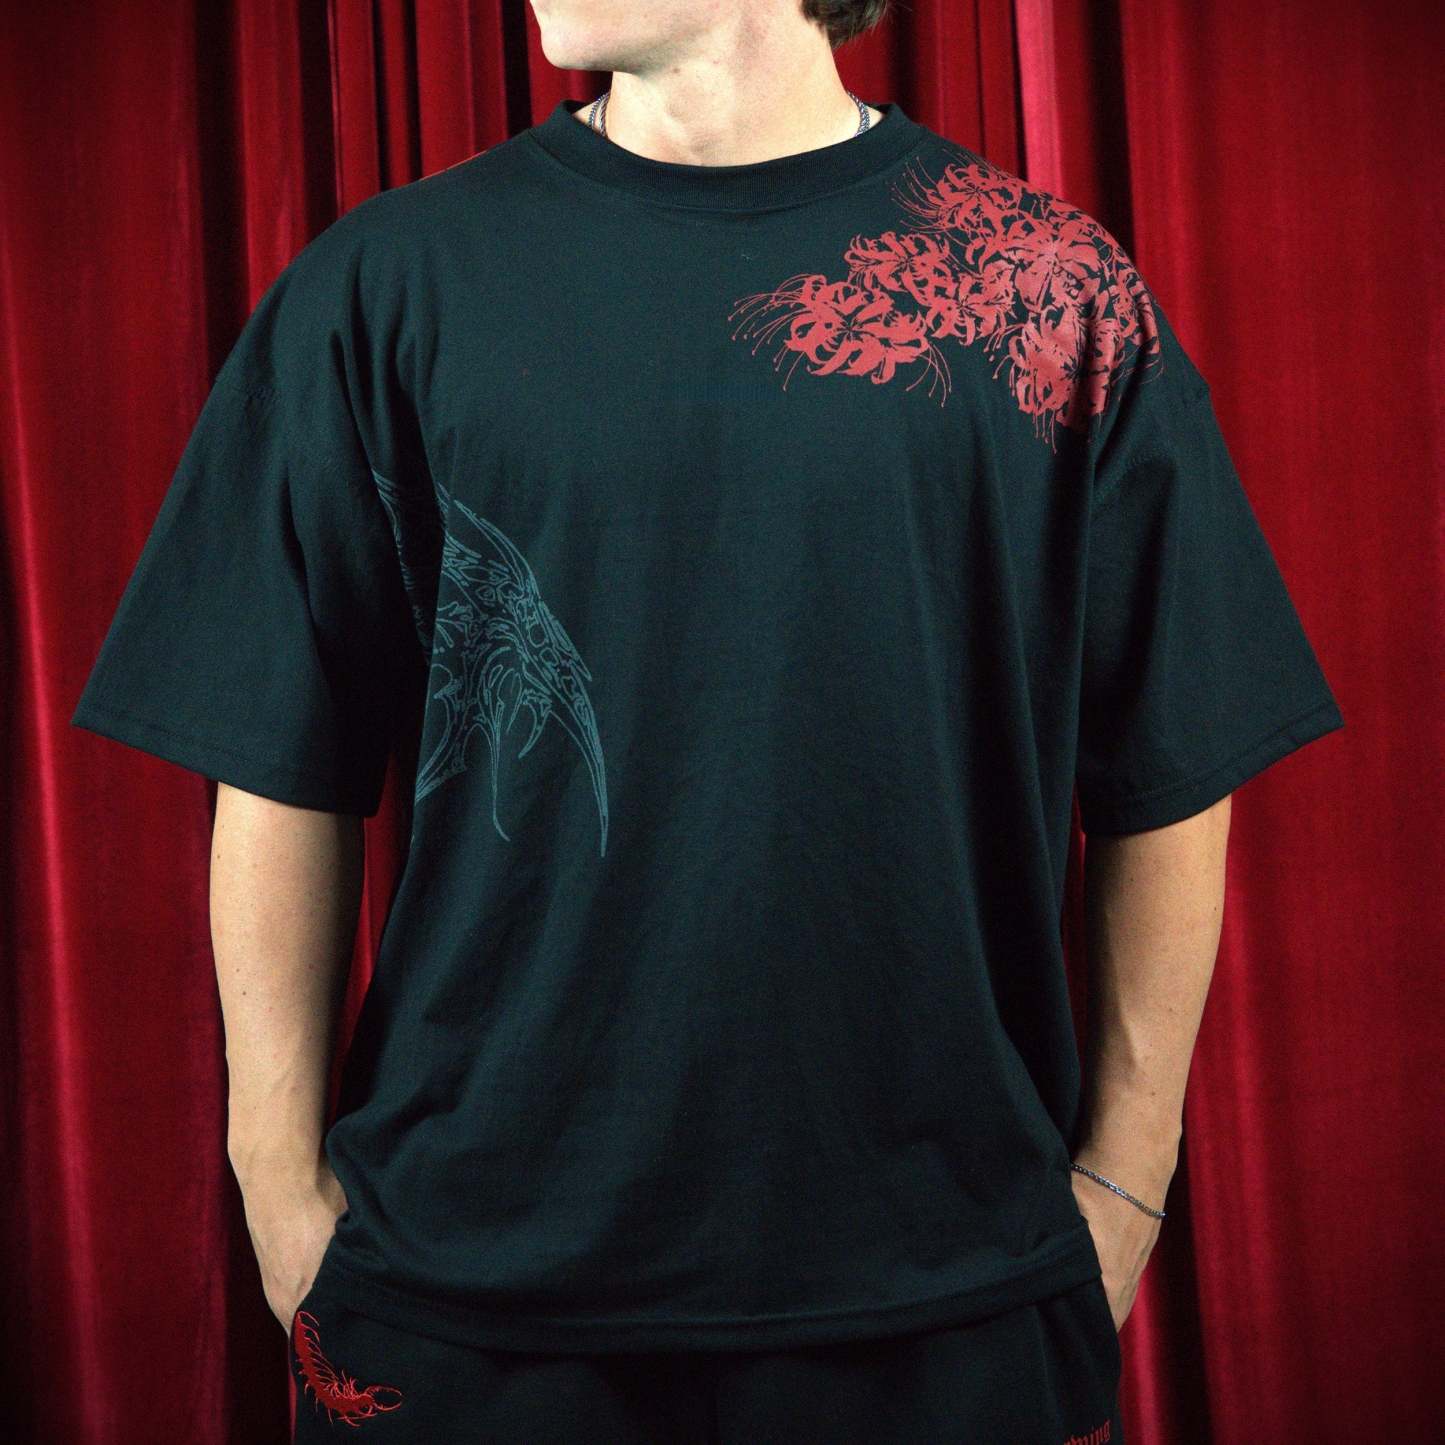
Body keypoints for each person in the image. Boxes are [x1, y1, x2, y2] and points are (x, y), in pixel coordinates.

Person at [72, 0, 1343, 1439]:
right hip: (465, 1291)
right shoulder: (386, 284)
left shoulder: (1049, 290)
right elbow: (277, 755)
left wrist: (1123, 1183)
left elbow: (1171, 754)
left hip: (946, 1295)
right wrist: (277, 1191)